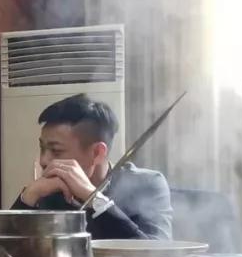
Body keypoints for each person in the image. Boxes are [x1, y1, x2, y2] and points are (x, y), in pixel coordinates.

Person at [12, 93, 172, 240]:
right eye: (42, 148)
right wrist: (28, 196)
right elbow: (4, 253)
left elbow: (157, 254)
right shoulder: (51, 192)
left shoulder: (146, 184)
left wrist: (94, 199)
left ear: (97, 153)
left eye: (56, 150)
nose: (43, 160)